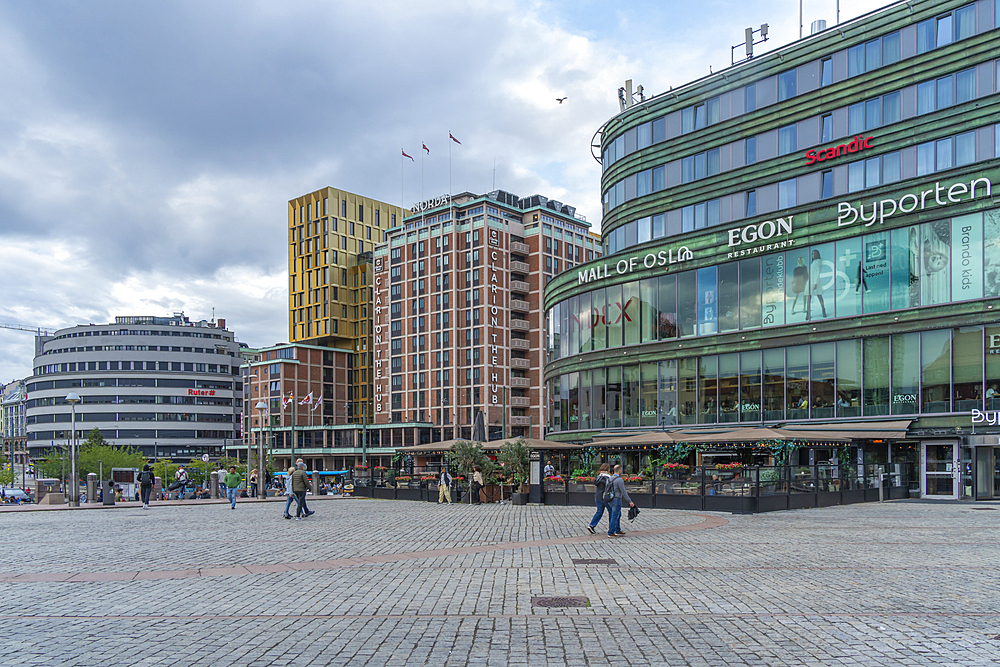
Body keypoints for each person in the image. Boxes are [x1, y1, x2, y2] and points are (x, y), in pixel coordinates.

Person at [607, 465, 635, 537]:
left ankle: (617, 529)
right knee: (615, 515)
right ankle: (611, 532)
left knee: (618, 514)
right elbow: (623, 492)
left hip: (610, 499)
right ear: (619, 470)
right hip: (617, 499)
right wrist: (630, 501)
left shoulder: (609, 479)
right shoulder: (619, 480)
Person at [587, 463, 613, 534]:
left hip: (597, 497)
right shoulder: (608, 477)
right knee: (611, 511)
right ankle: (612, 527)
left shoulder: (599, 477)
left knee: (599, 511)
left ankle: (592, 525)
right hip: (605, 497)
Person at [808, 249, 828, 318]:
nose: (813, 255)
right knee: (809, 297)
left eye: (815, 253)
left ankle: (823, 310)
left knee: (819, 296)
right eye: (812, 254)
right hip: (811, 281)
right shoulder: (813, 262)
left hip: (816, 281)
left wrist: (815, 283)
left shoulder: (818, 261)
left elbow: (818, 272)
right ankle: (808, 313)